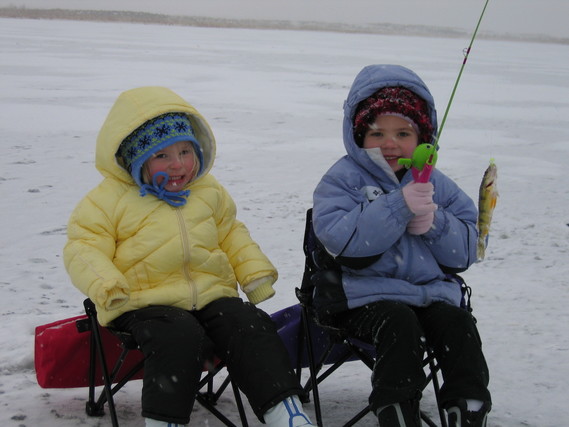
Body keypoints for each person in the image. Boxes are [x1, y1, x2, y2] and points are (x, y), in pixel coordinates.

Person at [63, 86, 315, 427]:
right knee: (178, 336)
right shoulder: (107, 201)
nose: (178, 164)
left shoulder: (208, 191)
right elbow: (84, 247)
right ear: (138, 159)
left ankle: (286, 413)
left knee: (249, 324)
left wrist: (252, 272)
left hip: (210, 295)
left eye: (185, 151)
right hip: (142, 301)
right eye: (162, 156)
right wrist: (106, 283)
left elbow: (230, 233)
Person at [311, 64, 492, 427]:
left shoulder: (436, 182)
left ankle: (468, 407)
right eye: (377, 132)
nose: (390, 143)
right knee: (398, 322)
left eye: (403, 132)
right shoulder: (342, 179)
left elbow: (467, 251)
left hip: (429, 295)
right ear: (358, 134)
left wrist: (435, 224)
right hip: (362, 297)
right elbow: (341, 241)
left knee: (457, 323)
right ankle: (396, 409)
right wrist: (397, 206)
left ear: (423, 137)